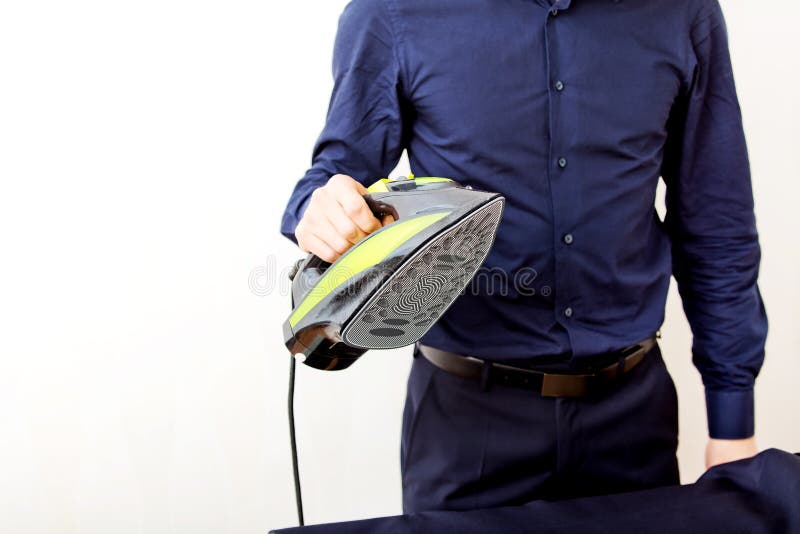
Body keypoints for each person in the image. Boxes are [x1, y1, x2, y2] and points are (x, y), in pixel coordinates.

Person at [279, 0, 768, 514]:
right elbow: (334, 177)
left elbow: (716, 222)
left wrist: (732, 425)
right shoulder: (391, 12)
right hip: (466, 427)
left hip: (633, 420)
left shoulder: (682, 12)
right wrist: (318, 211)